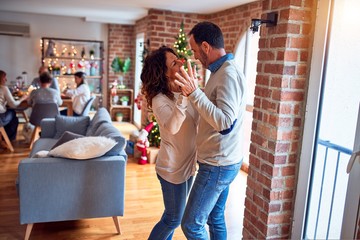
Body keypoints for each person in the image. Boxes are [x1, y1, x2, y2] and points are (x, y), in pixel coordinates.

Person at [174, 21, 247, 239]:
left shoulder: (227, 75)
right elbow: (214, 109)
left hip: (218, 164)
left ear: (206, 47)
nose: (195, 56)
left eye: (195, 50)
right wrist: (195, 94)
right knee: (215, 218)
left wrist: (195, 93)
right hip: (222, 160)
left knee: (191, 225)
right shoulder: (219, 72)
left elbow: (225, 123)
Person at [140, 46, 199, 240]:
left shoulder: (185, 92)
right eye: (174, 63)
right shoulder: (159, 100)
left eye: (179, 59)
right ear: (163, 73)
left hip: (188, 165)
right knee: (174, 219)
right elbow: (173, 127)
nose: (181, 62)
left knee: (172, 216)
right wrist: (184, 96)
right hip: (171, 169)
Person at [0, 70, 28, 141]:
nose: (6, 79)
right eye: (4, 78)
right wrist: (22, 99)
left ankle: (4, 138)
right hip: (0, 117)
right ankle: (8, 140)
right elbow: (13, 105)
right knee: (13, 115)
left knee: (10, 112)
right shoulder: (3, 88)